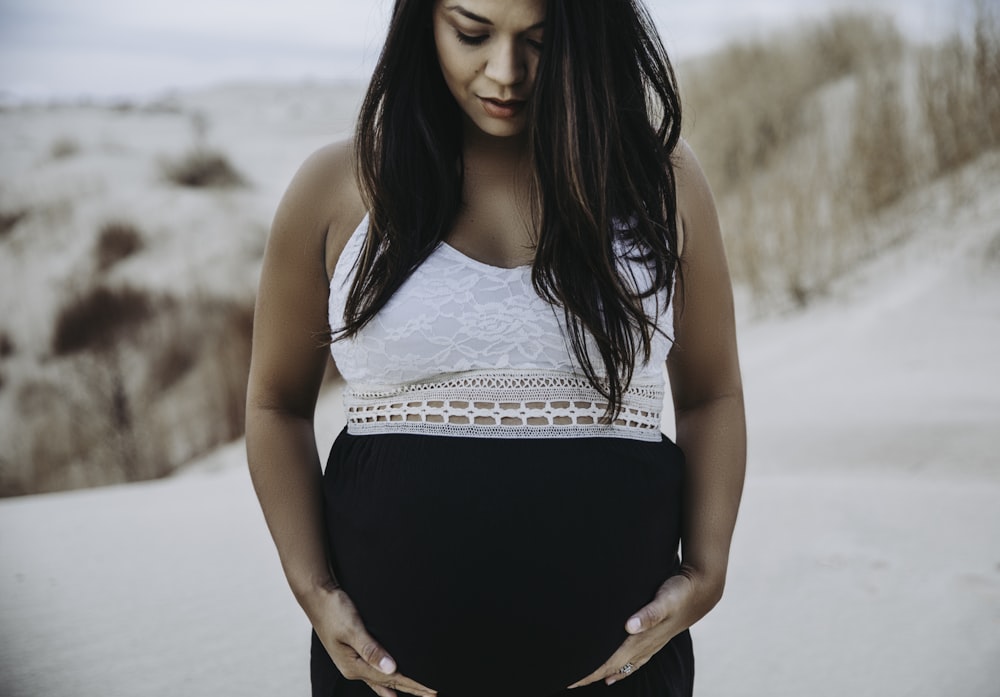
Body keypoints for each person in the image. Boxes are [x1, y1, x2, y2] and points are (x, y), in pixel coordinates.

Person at [246, 0, 745, 695]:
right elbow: (275, 404)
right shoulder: (339, 185)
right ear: (423, 21)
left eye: (540, 40)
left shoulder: (658, 181)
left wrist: (709, 569)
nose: (506, 72)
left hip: (621, 676)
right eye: (472, 33)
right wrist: (312, 586)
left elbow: (713, 392)